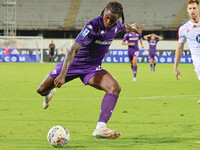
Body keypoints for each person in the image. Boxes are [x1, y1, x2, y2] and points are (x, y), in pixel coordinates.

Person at [37, 1, 144, 139]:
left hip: (92, 69)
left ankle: (100, 128)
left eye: (112, 20)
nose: (108, 21)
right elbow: (73, 50)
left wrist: (136, 30)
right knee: (41, 90)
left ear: (117, 19)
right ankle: (49, 93)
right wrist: (63, 75)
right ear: (104, 11)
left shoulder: (117, 25)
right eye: (107, 17)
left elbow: (126, 27)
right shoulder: (92, 26)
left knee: (115, 88)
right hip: (73, 65)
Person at [174, 0, 200, 82]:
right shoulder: (183, 29)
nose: (192, 11)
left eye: (194, 8)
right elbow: (180, 48)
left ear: (198, 9)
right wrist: (175, 67)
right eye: (190, 8)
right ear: (187, 10)